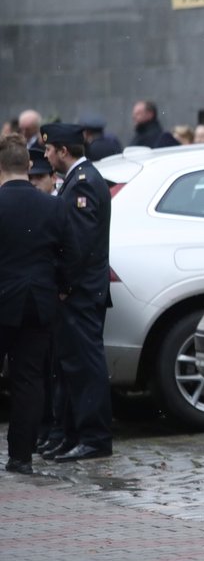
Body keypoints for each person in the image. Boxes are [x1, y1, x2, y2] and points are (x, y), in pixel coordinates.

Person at [0, 133, 80, 474]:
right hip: (38, 302)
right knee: (29, 380)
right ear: (29, 165)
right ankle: (21, 457)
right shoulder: (53, 205)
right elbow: (73, 254)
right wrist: (60, 287)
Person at [38, 123, 114, 462]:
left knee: (85, 368)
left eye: (49, 150)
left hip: (81, 293)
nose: (46, 156)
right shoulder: (76, 180)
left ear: (63, 151)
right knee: (71, 368)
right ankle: (72, 435)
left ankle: (94, 438)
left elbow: (78, 245)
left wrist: (66, 287)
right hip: (79, 293)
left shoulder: (84, 183)